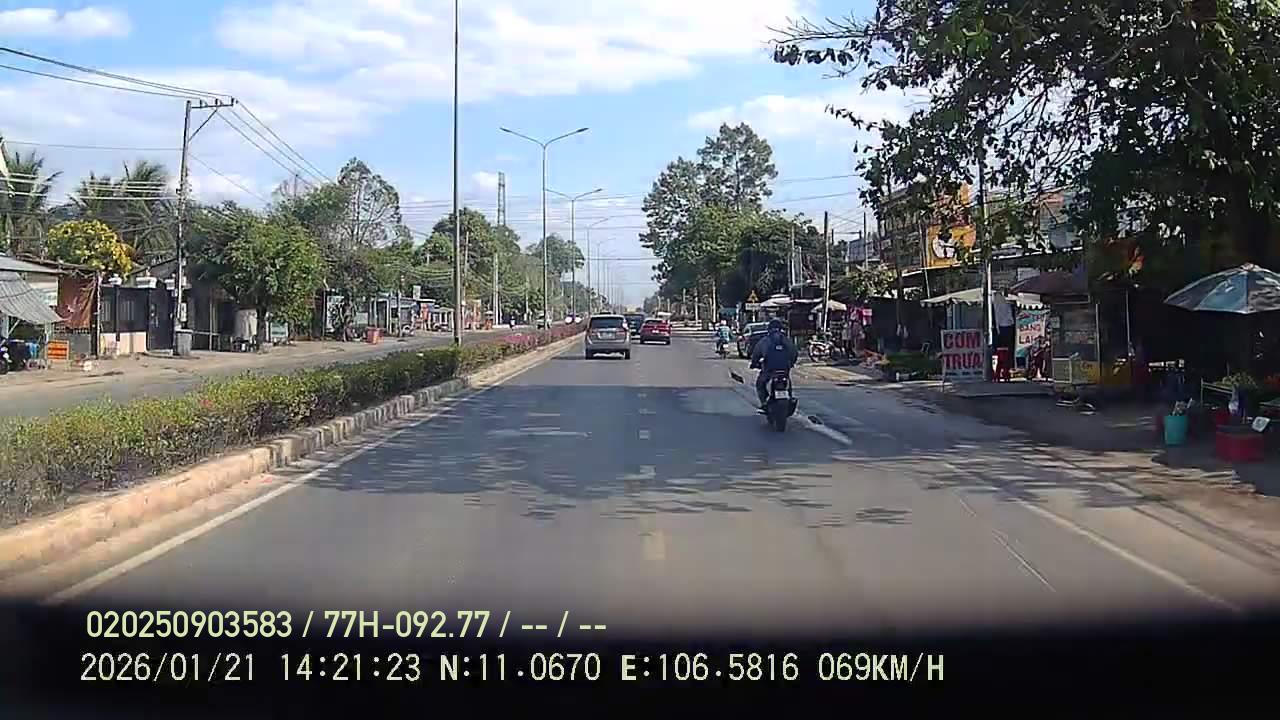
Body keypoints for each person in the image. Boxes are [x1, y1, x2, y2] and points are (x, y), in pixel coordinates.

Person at [750, 318, 798, 411]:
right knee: (787, 382)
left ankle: (764, 403)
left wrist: (754, 363)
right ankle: (790, 397)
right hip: (784, 369)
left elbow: (756, 353)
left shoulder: (765, 340)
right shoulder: (786, 340)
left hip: (769, 370)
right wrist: (791, 363)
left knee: (760, 384)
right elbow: (794, 353)